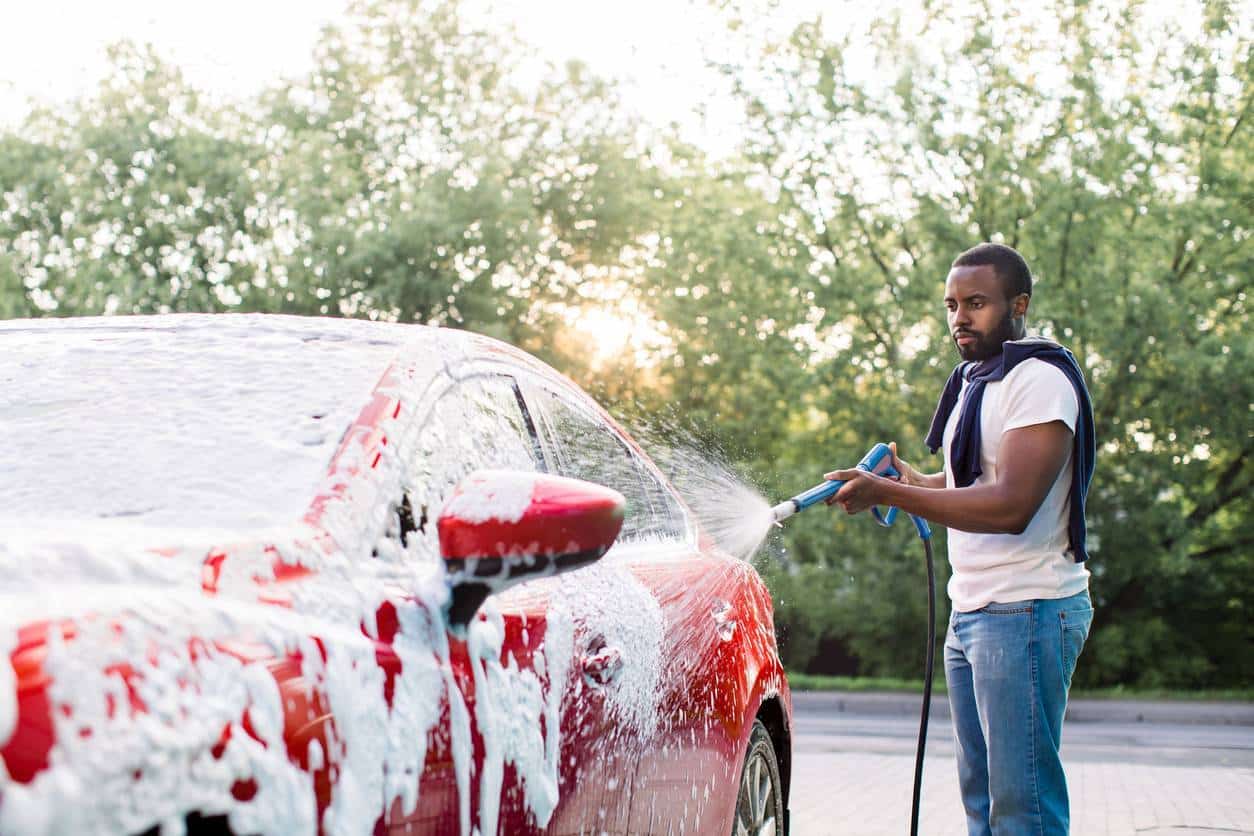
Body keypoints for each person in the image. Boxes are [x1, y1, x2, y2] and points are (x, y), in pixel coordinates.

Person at [825, 242, 1096, 835]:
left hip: (1026, 608)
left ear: (1018, 304)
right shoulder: (977, 382)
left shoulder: (1040, 381)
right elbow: (972, 479)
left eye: (976, 303)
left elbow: (1011, 505)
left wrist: (890, 494)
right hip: (973, 608)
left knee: (1022, 806)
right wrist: (914, 481)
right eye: (951, 305)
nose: (959, 318)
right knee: (982, 801)